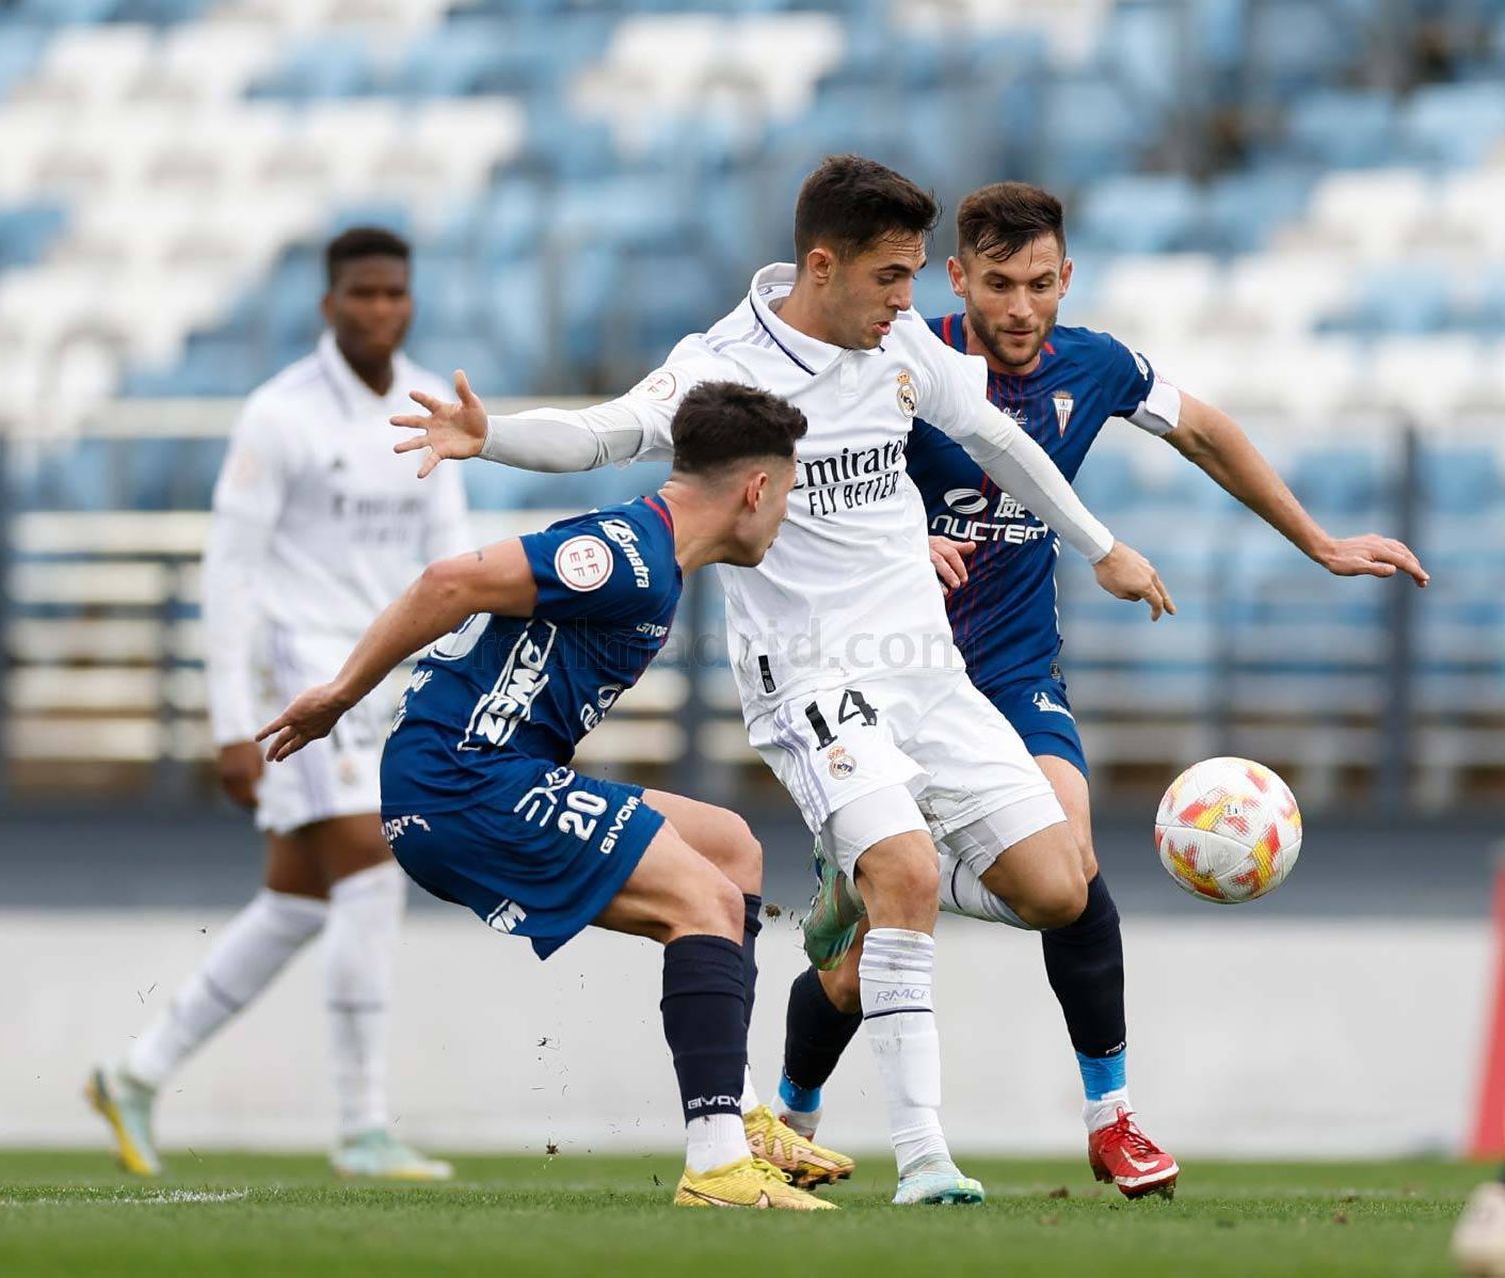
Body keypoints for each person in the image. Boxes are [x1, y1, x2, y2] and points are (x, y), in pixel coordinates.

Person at [389, 155, 1173, 1205]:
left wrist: (1099, 545)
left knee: (1055, 888)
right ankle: (926, 1157)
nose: (911, 301)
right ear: (822, 265)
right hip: (809, 675)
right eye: (892, 277)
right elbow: (606, 432)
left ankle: (866, 880)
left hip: (926, 670)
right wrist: (491, 439)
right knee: (902, 866)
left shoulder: (896, 344)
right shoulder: (724, 363)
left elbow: (994, 437)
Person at [772, 180, 1429, 1199]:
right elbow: (806, 476)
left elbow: (1202, 429)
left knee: (1066, 875)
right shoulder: (900, 357)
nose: (1022, 308)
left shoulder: (1095, 365)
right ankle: (790, 1119)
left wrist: (1321, 543)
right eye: (998, 285)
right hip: (887, 679)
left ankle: (1111, 1121)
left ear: (1066, 277)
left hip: (1013, 672)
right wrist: (905, 535)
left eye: (1041, 284)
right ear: (959, 279)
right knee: (859, 967)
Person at [258, 380, 834, 1210]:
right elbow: (448, 582)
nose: (783, 518)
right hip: (463, 780)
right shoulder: (626, 556)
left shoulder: (656, 557)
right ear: (756, 489)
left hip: (499, 771)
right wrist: (341, 694)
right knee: (702, 897)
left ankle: (740, 1115)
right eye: (785, 495)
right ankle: (715, 1166)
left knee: (729, 847)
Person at [87, 227, 468, 1180]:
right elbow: (231, 573)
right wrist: (227, 723)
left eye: (395, 294)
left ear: (410, 301)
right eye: (363, 293)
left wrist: (459, 678)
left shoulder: (430, 408)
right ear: (328, 304)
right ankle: (363, 1127)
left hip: (384, 681)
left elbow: (449, 564)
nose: (381, 309)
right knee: (375, 872)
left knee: (297, 903)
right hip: (297, 682)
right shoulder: (277, 414)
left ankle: (136, 1074)